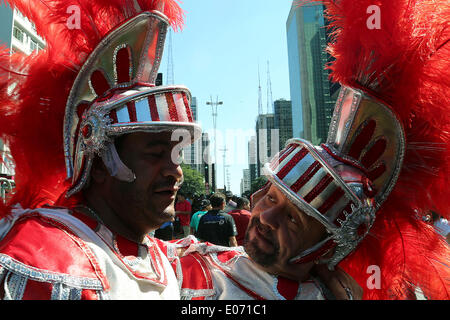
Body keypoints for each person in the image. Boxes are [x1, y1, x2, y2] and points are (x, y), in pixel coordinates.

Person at [171, 0, 450, 300]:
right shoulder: (182, 267)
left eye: (294, 219)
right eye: (274, 197)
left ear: (327, 245)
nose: (266, 216)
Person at [0, 0, 202, 299]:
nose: (175, 172)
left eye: (176, 155)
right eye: (156, 154)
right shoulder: (48, 256)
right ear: (98, 166)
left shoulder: (164, 257)